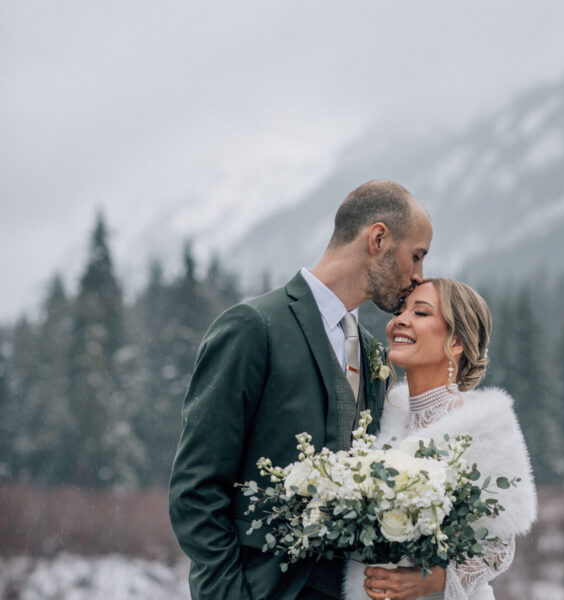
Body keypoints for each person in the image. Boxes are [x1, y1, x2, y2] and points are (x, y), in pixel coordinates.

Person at [168, 180, 433, 600]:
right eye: (416, 256)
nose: (419, 276)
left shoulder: (375, 356)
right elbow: (196, 491)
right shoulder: (252, 328)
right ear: (378, 238)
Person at [343, 278, 537, 600]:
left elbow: (499, 548)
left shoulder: (483, 427)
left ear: (457, 341)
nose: (400, 320)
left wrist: (429, 581)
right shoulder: (384, 415)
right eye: (401, 311)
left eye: (420, 313)